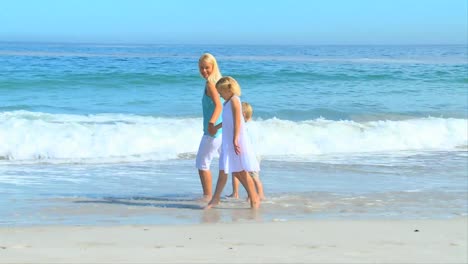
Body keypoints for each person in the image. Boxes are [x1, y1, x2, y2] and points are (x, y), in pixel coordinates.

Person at [206, 76, 260, 209]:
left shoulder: (235, 100)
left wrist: (235, 139)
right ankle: (216, 199)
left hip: (236, 140)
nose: (219, 95)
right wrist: (216, 127)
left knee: (240, 171)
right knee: (232, 171)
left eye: (221, 92)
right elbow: (228, 122)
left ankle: (254, 199)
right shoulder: (227, 103)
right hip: (228, 140)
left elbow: (238, 121)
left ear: (229, 89)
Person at [195, 53, 224, 201]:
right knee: (228, 163)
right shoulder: (218, 82)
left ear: (213, 67)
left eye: (207, 67)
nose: (204, 71)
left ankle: (208, 197)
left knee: (202, 164)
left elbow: (219, 106)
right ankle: (239, 193)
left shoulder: (210, 84)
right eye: (201, 68)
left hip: (213, 132)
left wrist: (212, 124)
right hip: (221, 131)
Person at [227, 102, 265, 201]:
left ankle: (260, 195)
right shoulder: (255, 125)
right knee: (251, 175)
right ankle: (252, 195)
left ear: (243, 114)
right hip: (257, 153)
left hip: (250, 155)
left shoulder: (245, 127)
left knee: (253, 176)